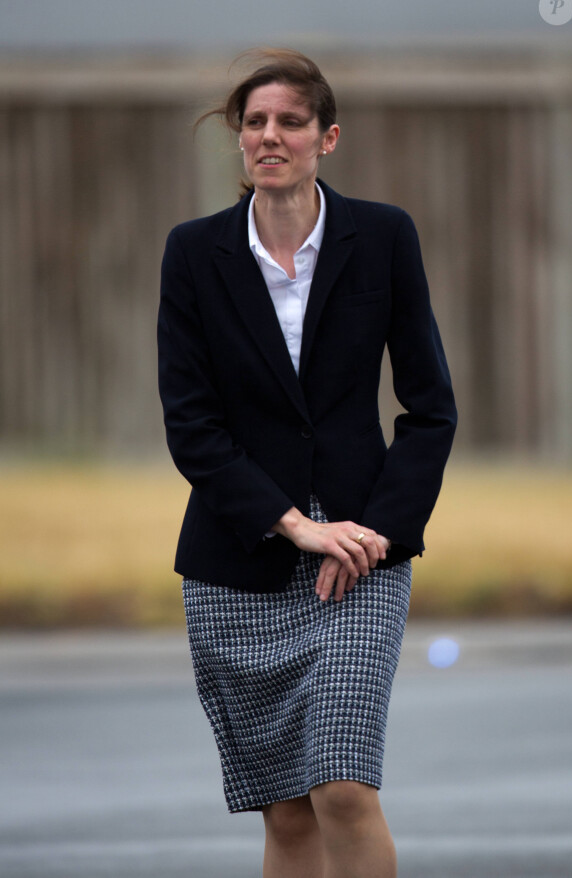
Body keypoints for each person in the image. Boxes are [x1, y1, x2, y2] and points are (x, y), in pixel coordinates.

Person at [157, 48, 457, 878]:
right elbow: (193, 427)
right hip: (240, 560)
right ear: (239, 139)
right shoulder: (194, 253)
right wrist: (295, 527)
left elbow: (430, 409)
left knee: (342, 789)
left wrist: (376, 532)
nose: (269, 136)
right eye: (254, 122)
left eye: (290, 121)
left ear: (328, 137)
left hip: (361, 555)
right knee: (288, 811)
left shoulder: (383, 237)